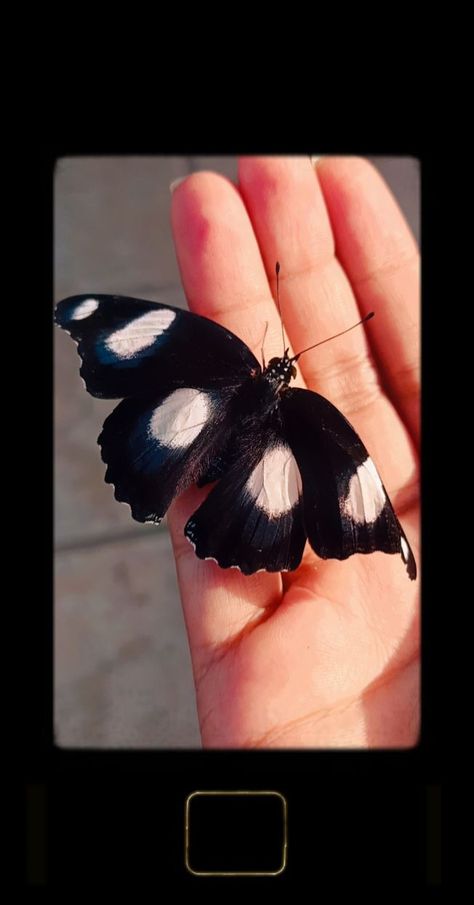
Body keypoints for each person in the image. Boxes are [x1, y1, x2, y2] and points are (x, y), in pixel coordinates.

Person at [167, 156, 419, 748]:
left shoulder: (286, 399)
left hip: (201, 427)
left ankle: (175, 469)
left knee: (184, 431)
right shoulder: (314, 417)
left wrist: (384, 529)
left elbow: (359, 497)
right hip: (261, 471)